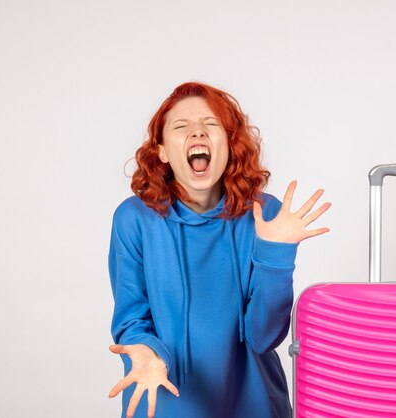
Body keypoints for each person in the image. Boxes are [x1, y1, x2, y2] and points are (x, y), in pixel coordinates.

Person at [107, 81, 330, 418]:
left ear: (229, 144)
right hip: (165, 401)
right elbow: (132, 320)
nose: (197, 133)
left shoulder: (263, 215)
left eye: (211, 125)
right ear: (163, 151)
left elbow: (264, 338)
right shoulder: (134, 218)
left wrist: (277, 256)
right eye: (181, 127)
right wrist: (144, 353)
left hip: (253, 406)